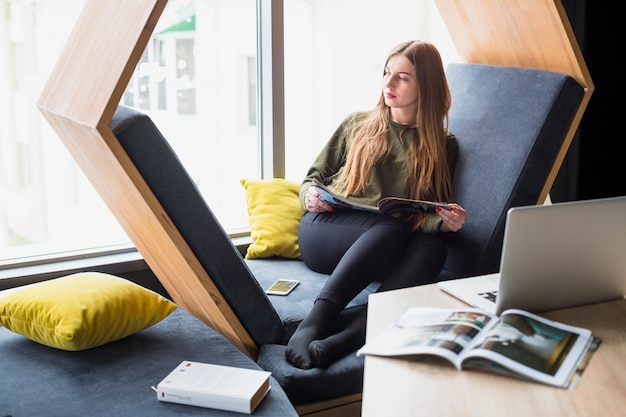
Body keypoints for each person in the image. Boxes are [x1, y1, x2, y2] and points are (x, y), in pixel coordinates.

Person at [285, 40, 468, 370]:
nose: (388, 83)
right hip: (325, 231)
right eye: (387, 72)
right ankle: (313, 323)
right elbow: (313, 177)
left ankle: (352, 336)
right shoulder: (356, 123)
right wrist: (309, 195)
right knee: (391, 227)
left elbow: (426, 212)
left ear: (426, 84)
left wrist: (444, 221)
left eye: (402, 77)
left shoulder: (443, 144)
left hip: (386, 241)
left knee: (432, 249)